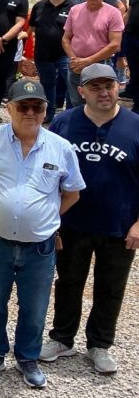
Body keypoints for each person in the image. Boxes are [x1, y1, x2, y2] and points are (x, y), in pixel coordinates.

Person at [0, 79, 83, 388]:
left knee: (34, 306)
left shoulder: (61, 148)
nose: (30, 112)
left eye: (37, 107)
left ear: (46, 110)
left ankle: (28, 357)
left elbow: (72, 193)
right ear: (9, 108)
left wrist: (46, 217)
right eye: (23, 106)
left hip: (40, 246)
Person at [44, 64, 139, 374]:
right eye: (95, 87)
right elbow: (47, 175)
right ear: (81, 90)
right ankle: (62, 338)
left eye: (108, 86)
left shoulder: (135, 125)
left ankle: (100, 344)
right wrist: (51, 220)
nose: (103, 92)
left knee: (111, 286)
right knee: (68, 281)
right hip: (72, 223)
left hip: (120, 226)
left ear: (118, 87)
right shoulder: (63, 123)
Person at [63, 0, 123, 103]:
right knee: (77, 101)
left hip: (101, 64)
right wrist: (74, 59)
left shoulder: (113, 13)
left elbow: (115, 44)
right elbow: (66, 38)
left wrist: (88, 61)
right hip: (76, 64)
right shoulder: (75, 10)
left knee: (101, 101)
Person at [29, 0, 74, 122]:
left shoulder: (74, 8)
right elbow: (32, 27)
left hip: (65, 54)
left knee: (70, 83)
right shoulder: (39, 6)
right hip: (43, 53)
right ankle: (48, 114)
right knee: (47, 83)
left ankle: (71, 113)